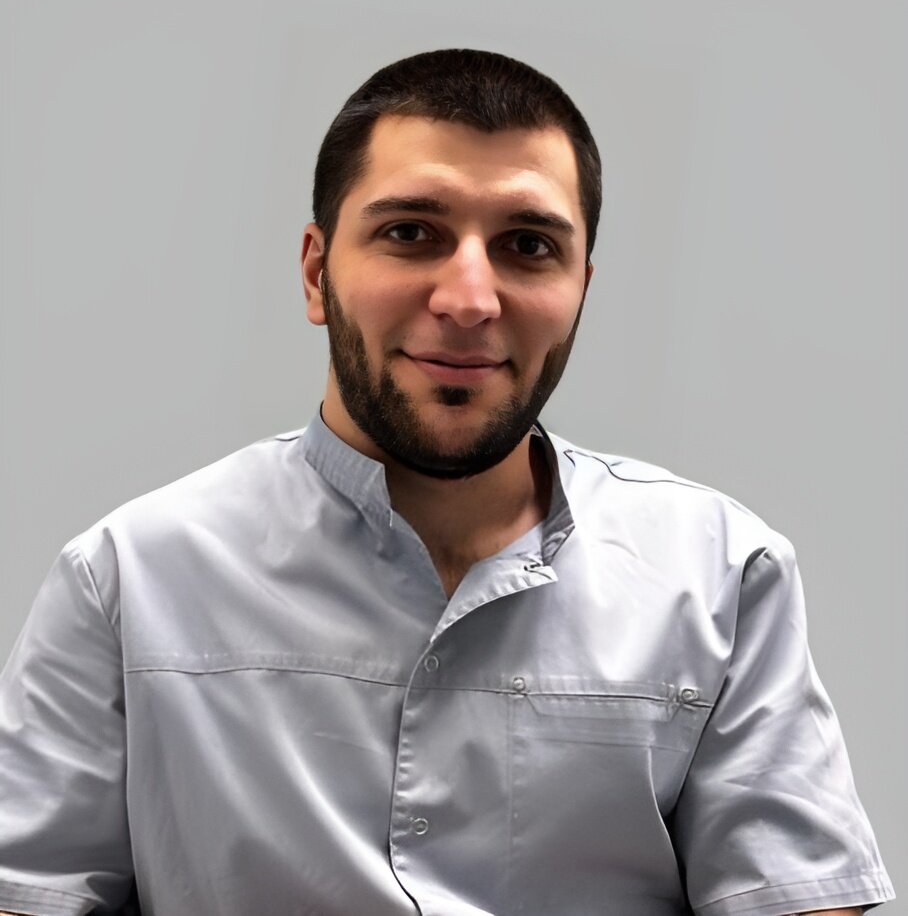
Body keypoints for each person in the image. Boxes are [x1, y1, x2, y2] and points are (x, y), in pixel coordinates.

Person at [0, 49, 894, 916]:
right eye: (410, 233)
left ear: (581, 289)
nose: (469, 300)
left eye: (528, 246)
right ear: (316, 272)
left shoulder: (724, 575)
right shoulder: (127, 579)